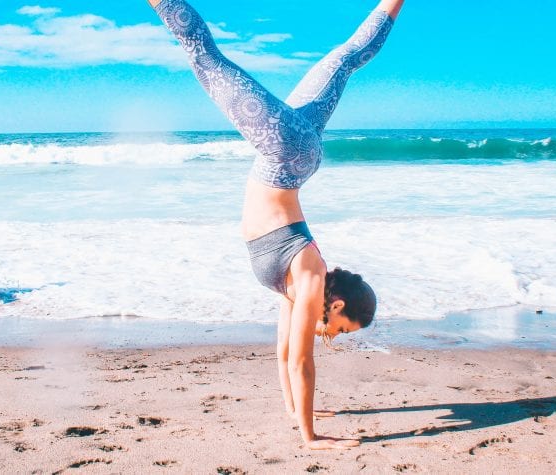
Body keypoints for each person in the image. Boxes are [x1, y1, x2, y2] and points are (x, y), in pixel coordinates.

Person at [148, 0, 403, 449]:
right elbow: (304, 361)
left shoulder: (295, 286)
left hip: (296, 154)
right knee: (203, 54)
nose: (334, 336)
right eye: (341, 329)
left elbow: (285, 353)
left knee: (344, 60)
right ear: (338, 305)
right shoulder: (310, 280)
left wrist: (293, 410)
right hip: (285, 152)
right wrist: (311, 437)